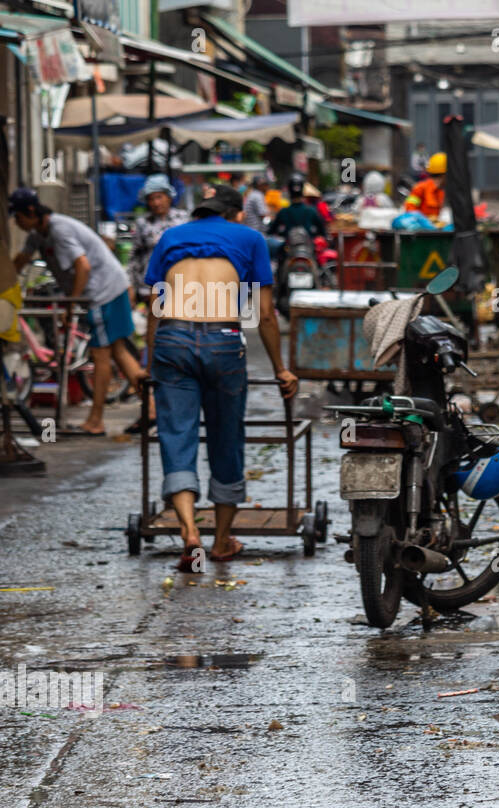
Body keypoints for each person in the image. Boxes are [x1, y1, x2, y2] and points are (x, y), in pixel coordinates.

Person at [143, 185, 297, 571]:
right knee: (226, 436)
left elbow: (154, 306)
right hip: (223, 339)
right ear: (237, 213)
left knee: (176, 435)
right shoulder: (251, 238)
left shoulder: (170, 236)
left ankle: (190, 533)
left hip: (172, 337)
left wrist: (150, 363)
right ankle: (222, 540)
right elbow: (265, 315)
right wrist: (281, 368)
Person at [9, 188, 144, 437]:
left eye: (18, 217)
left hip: (103, 292)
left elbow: (83, 265)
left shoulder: (59, 230)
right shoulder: (37, 234)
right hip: (107, 290)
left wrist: (71, 305)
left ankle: (96, 421)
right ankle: (153, 409)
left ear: (31, 212)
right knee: (118, 351)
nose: (16, 223)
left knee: (101, 355)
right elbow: (21, 261)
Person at [128, 174, 188, 306]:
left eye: (159, 197)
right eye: (151, 199)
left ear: (169, 197)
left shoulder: (183, 219)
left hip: (180, 283)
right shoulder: (143, 223)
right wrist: (132, 286)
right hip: (150, 286)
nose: (155, 203)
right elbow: (134, 256)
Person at [405, 153, 447, 219]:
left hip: (433, 228)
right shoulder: (420, 188)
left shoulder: (440, 191)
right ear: (444, 176)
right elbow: (409, 210)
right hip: (420, 228)